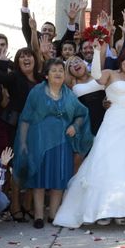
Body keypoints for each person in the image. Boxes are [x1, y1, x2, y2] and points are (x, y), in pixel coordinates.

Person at [53, 45, 125, 228]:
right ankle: (103, 209)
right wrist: (99, 51)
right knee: (109, 163)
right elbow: (97, 77)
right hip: (113, 121)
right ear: (120, 59)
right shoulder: (109, 73)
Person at [14, 58, 93, 229]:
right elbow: (26, 119)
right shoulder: (37, 91)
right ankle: (39, 216)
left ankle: (53, 215)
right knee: (39, 178)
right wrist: (23, 143)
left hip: (62, 143)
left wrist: (74, 126)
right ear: (46, 75)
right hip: (39, 141)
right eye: (54, 70)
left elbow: (82, 114)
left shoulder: (69, 94)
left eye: (61, 70)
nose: (58, 73)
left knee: (59, 178)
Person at [0, 47, 42, 222]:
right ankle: (15, 205)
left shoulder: (42, 79)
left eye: (29, 56)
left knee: (33, 165)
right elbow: (1, 77)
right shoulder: (14, 77)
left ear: (35, 59)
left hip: (37, 128)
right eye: (22, 57)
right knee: (18, 165)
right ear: (18, 62)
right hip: (14, 126)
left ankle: (28, 205)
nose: (26, 59)